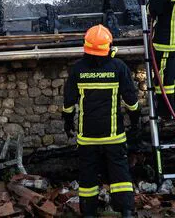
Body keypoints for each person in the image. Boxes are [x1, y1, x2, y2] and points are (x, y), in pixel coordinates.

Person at [62, 24, 140, 218]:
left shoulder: (78, 69)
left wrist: (68, 122)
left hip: (87, 137)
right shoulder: (119, 67)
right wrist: (136, 121)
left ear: (86, 46)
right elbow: (131, 100)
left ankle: (89, 213)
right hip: (114, 136)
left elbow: (69, 101)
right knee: (120, 173)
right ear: (108, 46)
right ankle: (126, 211)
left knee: (88, 175)